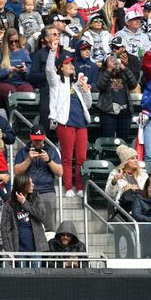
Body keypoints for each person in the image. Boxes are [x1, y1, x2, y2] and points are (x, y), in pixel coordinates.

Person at [46, 44, 91, 198]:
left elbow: (88, 105)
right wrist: (53, 51)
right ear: (60, 67)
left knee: (81, 158)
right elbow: (49, 70)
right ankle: (68, 187)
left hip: (81, 124)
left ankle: (79, 187)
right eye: (67, 64)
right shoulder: (56, 82)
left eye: (72, 63)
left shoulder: (77, 84)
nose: (71, 66)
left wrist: (86, 91)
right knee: (67, 157)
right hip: (65, 123)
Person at [12, 125, 61, 231]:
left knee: (50, 227)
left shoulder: (52, 151)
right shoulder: (23, 151)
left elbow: (60, 172)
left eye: (40, 139)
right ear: (30, 137)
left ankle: (49, 246)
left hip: (47, 191)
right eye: (35, 139)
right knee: (29, 225)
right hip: (28, 193)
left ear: (44, 137)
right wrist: (29, 159)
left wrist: (49, 160)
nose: (38, 142)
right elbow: (16, 171)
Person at [1, 173, 48, 255]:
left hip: (36, 248)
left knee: (36, 268)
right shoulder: (9, 204)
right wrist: (9, 251)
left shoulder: (36, 198)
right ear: (23, 185)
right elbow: (5, 229)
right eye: (30, 183)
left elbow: (42, 216)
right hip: (18, 249)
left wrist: (24, 203)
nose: (33, 185)